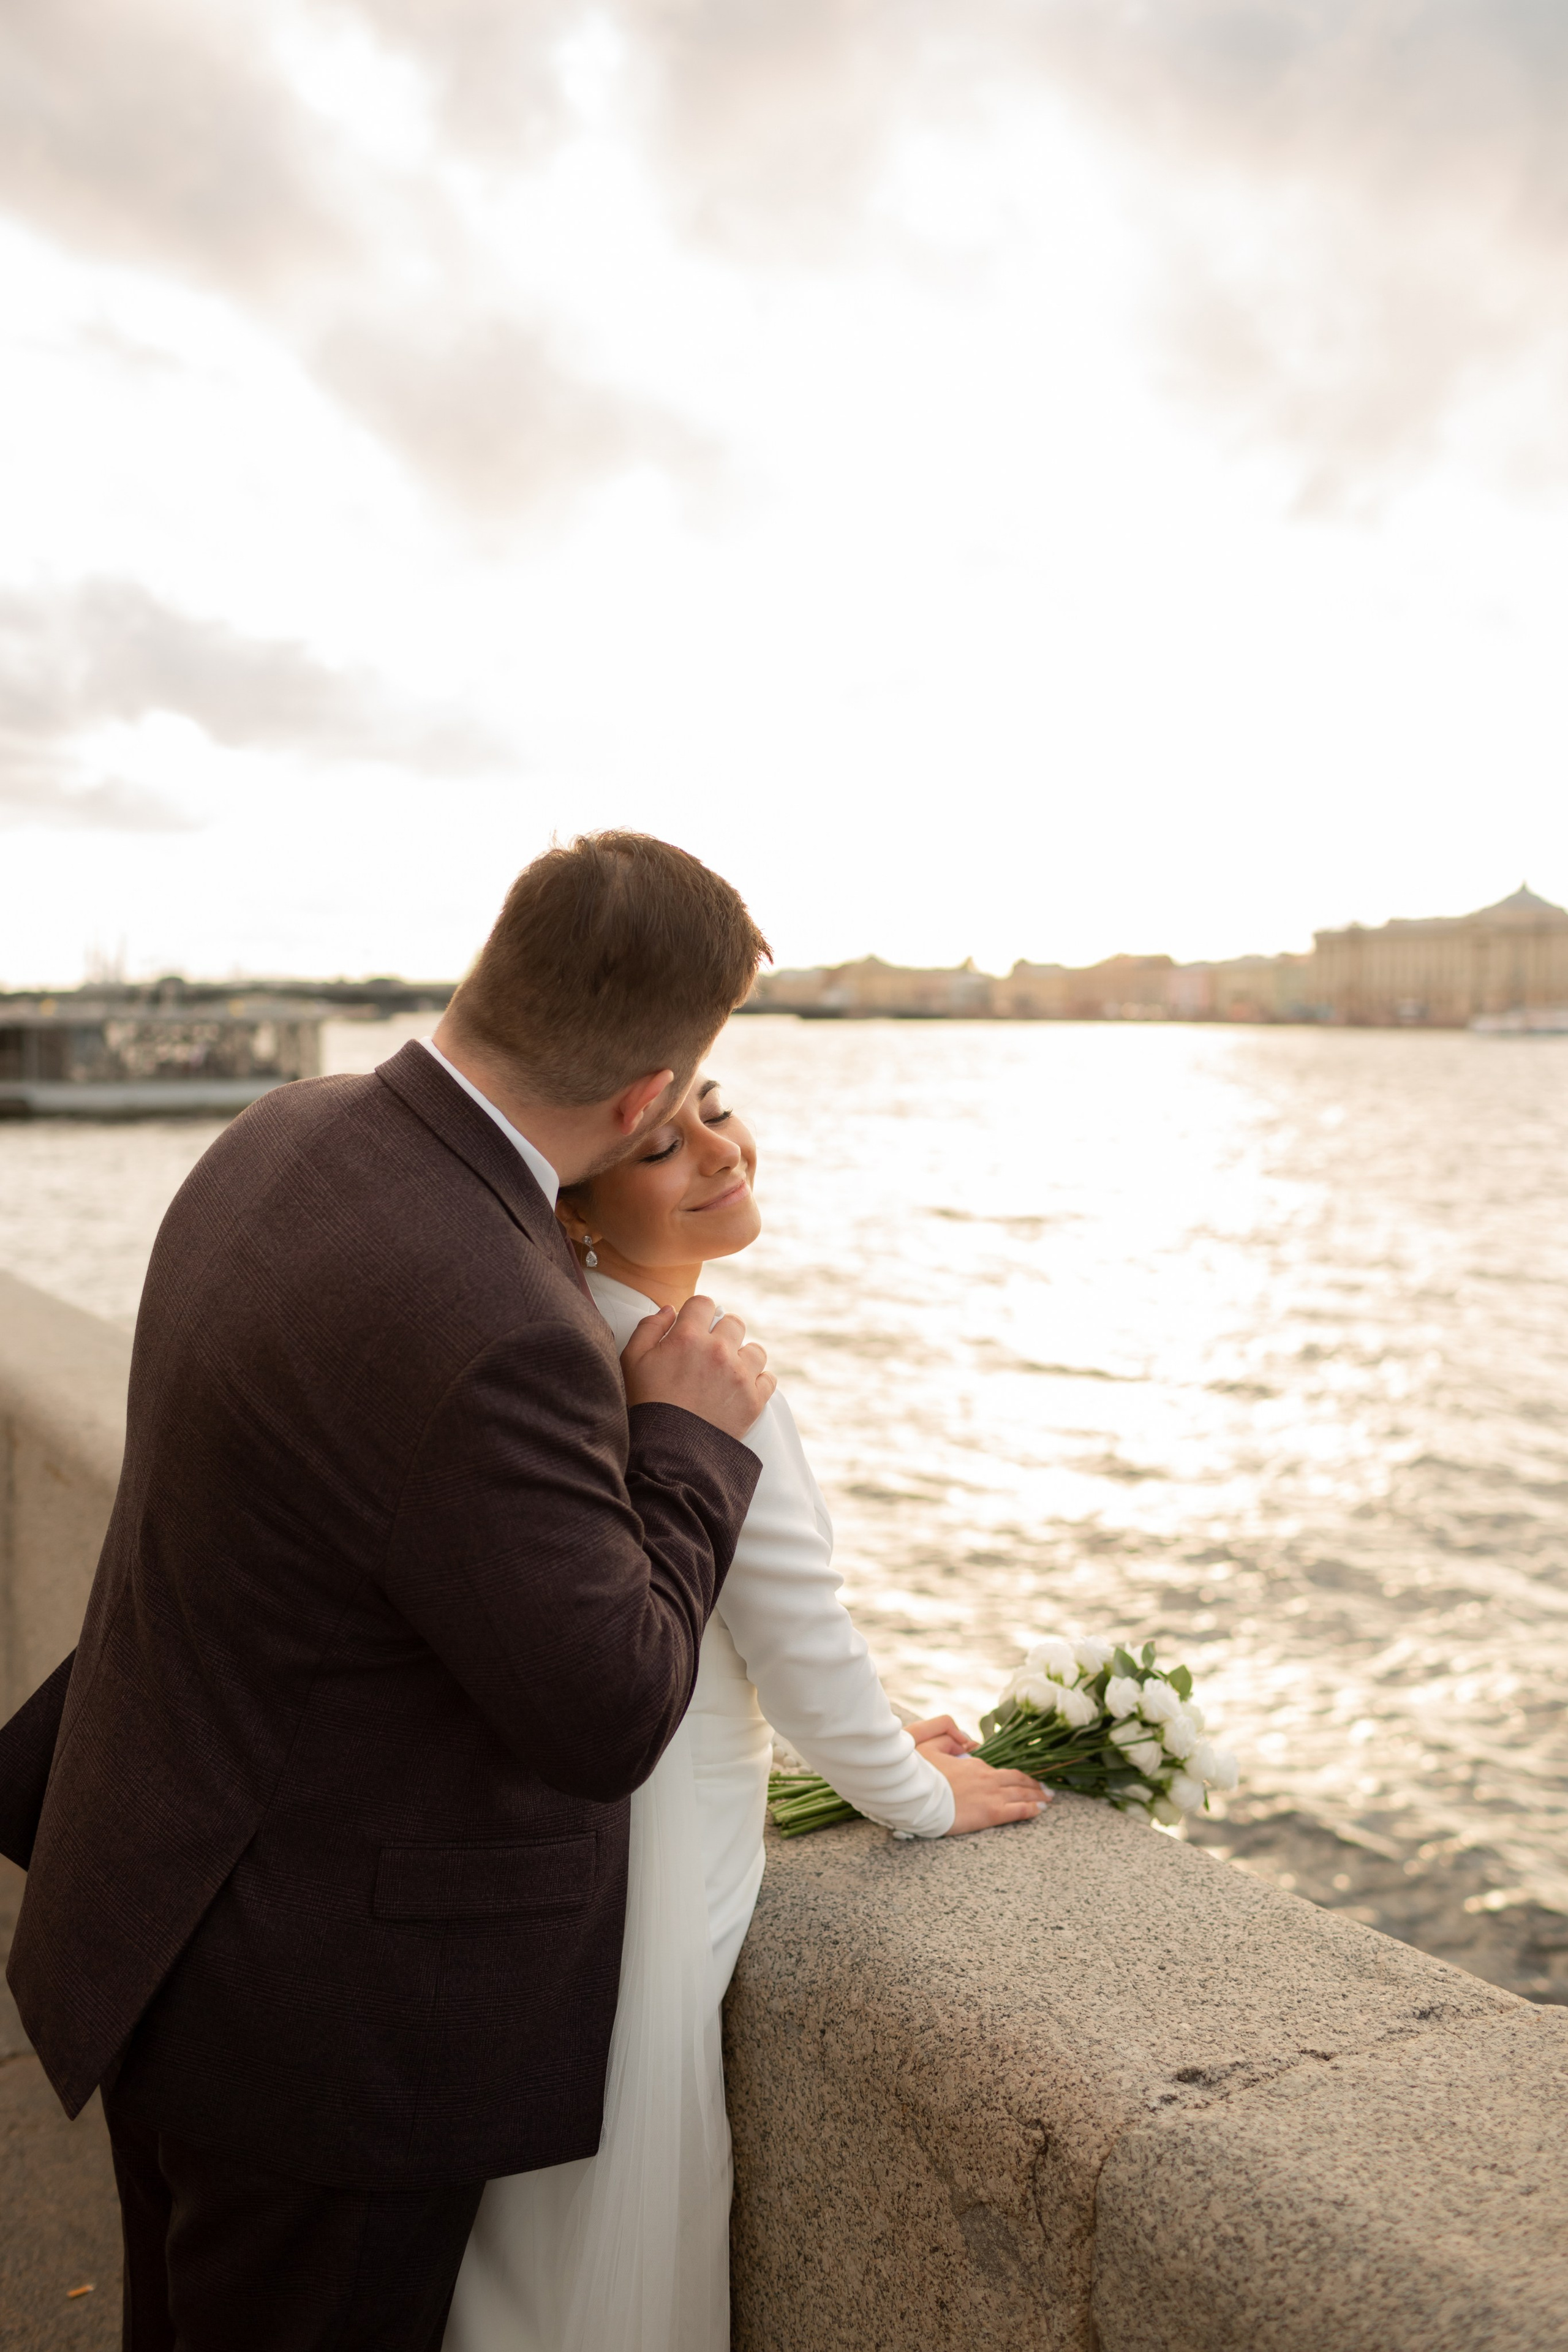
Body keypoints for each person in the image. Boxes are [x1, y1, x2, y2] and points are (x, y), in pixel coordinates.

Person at [0, 832, 778, 2352]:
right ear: (636, 1105)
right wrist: (685, 1443)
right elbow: (607, 1705)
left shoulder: (282, 1132)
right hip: (319, 2032)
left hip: (161, 1909)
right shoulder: (498, 1318)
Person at [443, 1071, 1047, 2352]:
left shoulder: (572, 1339)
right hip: (656, 1845)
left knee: (540, 2218)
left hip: (595, 1818)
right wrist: (919, 1795)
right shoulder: (700, 1372)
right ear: (582, 1211)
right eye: (666, 1147)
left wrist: (845, 1764)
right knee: (623, 2199)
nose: (721, 1152)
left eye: (714, 1108)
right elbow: (796, 1644)